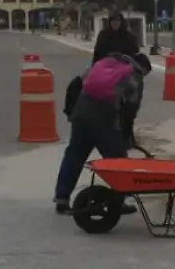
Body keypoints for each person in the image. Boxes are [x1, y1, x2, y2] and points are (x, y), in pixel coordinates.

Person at [54, 52, 152, 214]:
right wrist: (126, 135)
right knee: (118, 160)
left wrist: (72, 111)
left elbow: (75, 84)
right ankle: (118, 202)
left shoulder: (105, 63)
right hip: (104, 117)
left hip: (81, 112)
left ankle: (61, 200)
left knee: (74, 155)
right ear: (144, 69)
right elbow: (130, 110)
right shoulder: (135, 76)